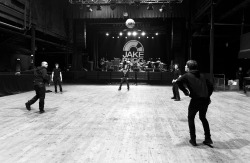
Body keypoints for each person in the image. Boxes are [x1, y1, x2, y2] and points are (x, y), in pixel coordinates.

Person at [176, 60, 214, 146]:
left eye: (186, 65)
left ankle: (193, 140)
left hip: (196, 100)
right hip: (205, 100)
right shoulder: (202, 75)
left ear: (189, 67)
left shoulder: (186, 75)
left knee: (191, 118)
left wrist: (185, 91)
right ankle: (208, 138)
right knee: (203, 118)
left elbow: (178, 81)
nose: (185, 66)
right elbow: (211, 86)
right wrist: (208, 96)